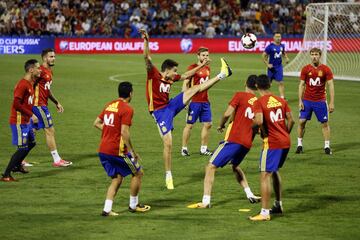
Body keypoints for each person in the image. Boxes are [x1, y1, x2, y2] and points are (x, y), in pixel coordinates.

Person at [140, 28, 232, 190]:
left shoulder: (172, 77)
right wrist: (146, 40)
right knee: (168, 143)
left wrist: (201, 65)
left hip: (170, 106)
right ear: (166, 70)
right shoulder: (153, 74)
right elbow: (147, 58)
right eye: (174, 70)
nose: (176, 73)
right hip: (160, 113)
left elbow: (185, 76)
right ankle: (168, 175)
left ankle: (223, 74)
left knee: (195, 88)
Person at [187, 75, 262, 209]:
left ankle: (206, 201)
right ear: (256, 87)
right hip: (247, 143)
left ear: (245, 82)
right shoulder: (258, 102)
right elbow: (259, 124)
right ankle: (249, 194)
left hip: (234, 140)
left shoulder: (240, 95)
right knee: (235, 166)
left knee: (210, 167)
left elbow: (227, 113)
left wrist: (221, 125)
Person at [93, 82, 151, 216]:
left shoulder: (109, 105)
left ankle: (107, 209)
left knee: (117, 178)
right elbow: (125, 132)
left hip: (103, 150)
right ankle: (133, 205)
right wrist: (132, 151)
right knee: (138, 172)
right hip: (117, 151)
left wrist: (110, 131)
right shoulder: (127, 109)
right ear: (130, 94)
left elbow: (96, 123)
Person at [249, 74, 294, 221]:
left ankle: (264, 213)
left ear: (256, 86)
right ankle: (278, 205)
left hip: (272, 143)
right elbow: (291, 120)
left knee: (265, 175)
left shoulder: (259, 102)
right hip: (285, 141)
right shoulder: (281, 100)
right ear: (269, 84)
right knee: (274, 171)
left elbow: (259, 120)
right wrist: (285, 133)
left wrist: (259, 129)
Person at [1, 59, 41, 182]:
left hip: (26, 121)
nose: (40, 70)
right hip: (18, 121)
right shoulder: (22, 84)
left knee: (32, 143)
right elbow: (16, 104)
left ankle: (17, 166)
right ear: (31, 70)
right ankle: (6, 175)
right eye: (38, 68)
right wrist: (31, 115)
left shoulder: (30, 83)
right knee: (22, 148)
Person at [32, 48, 72, 167]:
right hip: (38, 105)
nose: (53, 58)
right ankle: (56, 159)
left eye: (54, 56)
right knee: (50, 130)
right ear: (44, 58)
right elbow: (28, 86)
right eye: (51, 56)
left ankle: (19, 159)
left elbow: (47, 90)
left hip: (41, 105)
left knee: (31, 131)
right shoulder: (40, 71)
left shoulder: (49, 71)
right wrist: (29, 107)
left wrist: (56, 102)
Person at [296, 47, 335, 155]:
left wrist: (331, 102)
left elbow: (331, 85)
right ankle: (299, 145)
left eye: (316, 54)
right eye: (312, 54)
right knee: (301, 121)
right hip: (307, 101)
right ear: (310, 55)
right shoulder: (305, 69)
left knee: (324, 123)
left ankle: (327, 146)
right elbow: (301, 85)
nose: (314, 56)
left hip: (320, 101)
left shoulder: (326, 69)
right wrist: (300, 101)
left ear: (320, 56)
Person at [181, 47, 213, 157]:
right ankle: (184, 148)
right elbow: (185, 83)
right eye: (203, 55)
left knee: (208, 124)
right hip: (194, 101)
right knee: (189, 125)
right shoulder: (192, 68)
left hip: (205, 101)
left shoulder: (208, 68)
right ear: (198, 56)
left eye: (207, 55)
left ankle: (203, 149)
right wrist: (184, 100)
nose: (205, 57)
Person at [262, 32, 290, 99]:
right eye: (276, 37)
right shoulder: (270, 47)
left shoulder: (282, 46)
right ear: (273, 38)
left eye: (279, 36)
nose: (278, 38)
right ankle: (266, 97)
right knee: (268, 84)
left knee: (281, 82)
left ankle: (282, 98)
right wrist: (267, 64)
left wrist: (286, 58)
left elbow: (283, 52)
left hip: (279, 67)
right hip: (271, 68)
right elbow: (263, 56)